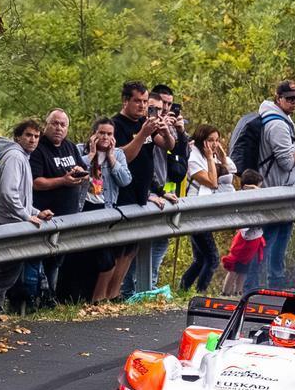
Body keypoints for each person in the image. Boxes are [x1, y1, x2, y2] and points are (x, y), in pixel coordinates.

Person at [109, 80, 177, 301]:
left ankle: (120, 294)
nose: (142, 106)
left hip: (142, 193)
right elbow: (121, 159)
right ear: (125, 101)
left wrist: (166, 132)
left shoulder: (145, 123)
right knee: (119, 251)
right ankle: (112, 295)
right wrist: (141, 134)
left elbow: (168, 146)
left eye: (145, 101)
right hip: (121, 195)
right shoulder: (116, 125)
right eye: (137, 101)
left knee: (130, 251)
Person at [0, 120, 54, 311]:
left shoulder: (21, 157)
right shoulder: (15, 157)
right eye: (28, 135)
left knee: (4, 270)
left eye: (36, 137)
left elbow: (21, 197)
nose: (33, 140)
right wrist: (26, 216)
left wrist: (36, 212)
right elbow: (7, 193)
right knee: (10, 272)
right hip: (8, 223)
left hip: (10, 220)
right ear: (18, 137)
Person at [247, 79, 295, 291]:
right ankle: (255, 287)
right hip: (274, 190)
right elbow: (287, 161)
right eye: (289, 99)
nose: (294, 102)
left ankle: (273, 284)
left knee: (277, 240)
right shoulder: (277, 124)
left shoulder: (277, 119)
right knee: (268, 241)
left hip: (281, 189)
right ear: (278, 99)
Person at [30, 108, 88, 300]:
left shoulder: (70, 147)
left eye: (63, 125)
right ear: (46, 125)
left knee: (57, 260)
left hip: (69, 215)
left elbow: (85, 171)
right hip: (45, 215)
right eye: (54, 123)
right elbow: (36, 182)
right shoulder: (39, 148)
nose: (58, 128)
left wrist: (79, 171)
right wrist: (62, 181)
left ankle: (51, 296)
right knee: (41, 259)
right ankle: (38, 297)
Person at [75, 117, 132, 304]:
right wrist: (91, 155)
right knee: (85, 257)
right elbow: (72, 173)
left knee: (106, 257)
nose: (105, 137)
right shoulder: (79, 150)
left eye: (109, 134)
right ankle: (84, 297)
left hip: (106, 207)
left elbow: (125, 180)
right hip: (84, 207)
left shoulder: (119, 154)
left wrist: (112, 158)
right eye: (102, 133)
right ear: (94, 134)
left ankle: (97, 299)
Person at [180, 124, 234, 292]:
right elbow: (212, 181)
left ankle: (183, 289)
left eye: (216, 140)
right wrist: (211, 158)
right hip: (196, 211)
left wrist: (222, 154)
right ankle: (199, 292)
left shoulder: (210, 154)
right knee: (212, 259)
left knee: (201, 258)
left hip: (205, 211)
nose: (214, 144)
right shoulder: (194, 158)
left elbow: (231, 171)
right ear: (201, 140)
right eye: (210, 140)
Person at [220, 170, 266, 296]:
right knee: (234, 268)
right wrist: (254, 191)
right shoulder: (243, 197)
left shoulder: (258, 197)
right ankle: (225, 292)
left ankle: (238, 292)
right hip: (245, 239)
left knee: (244, 269)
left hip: (254, 239)